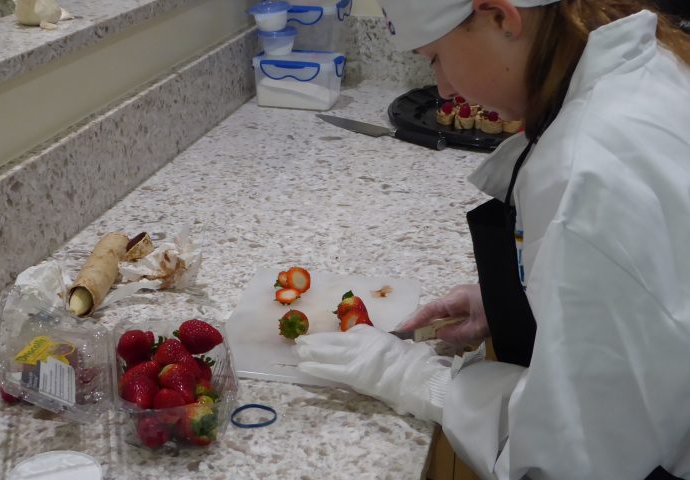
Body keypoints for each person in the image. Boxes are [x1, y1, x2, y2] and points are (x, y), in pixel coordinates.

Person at [294, 1, 690, 478]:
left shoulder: (588, 172)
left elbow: (570, 460)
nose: (441, 87)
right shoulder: (648, 67)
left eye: (435, 57)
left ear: (501, 17)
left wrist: (413, 378)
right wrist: (531, 294)